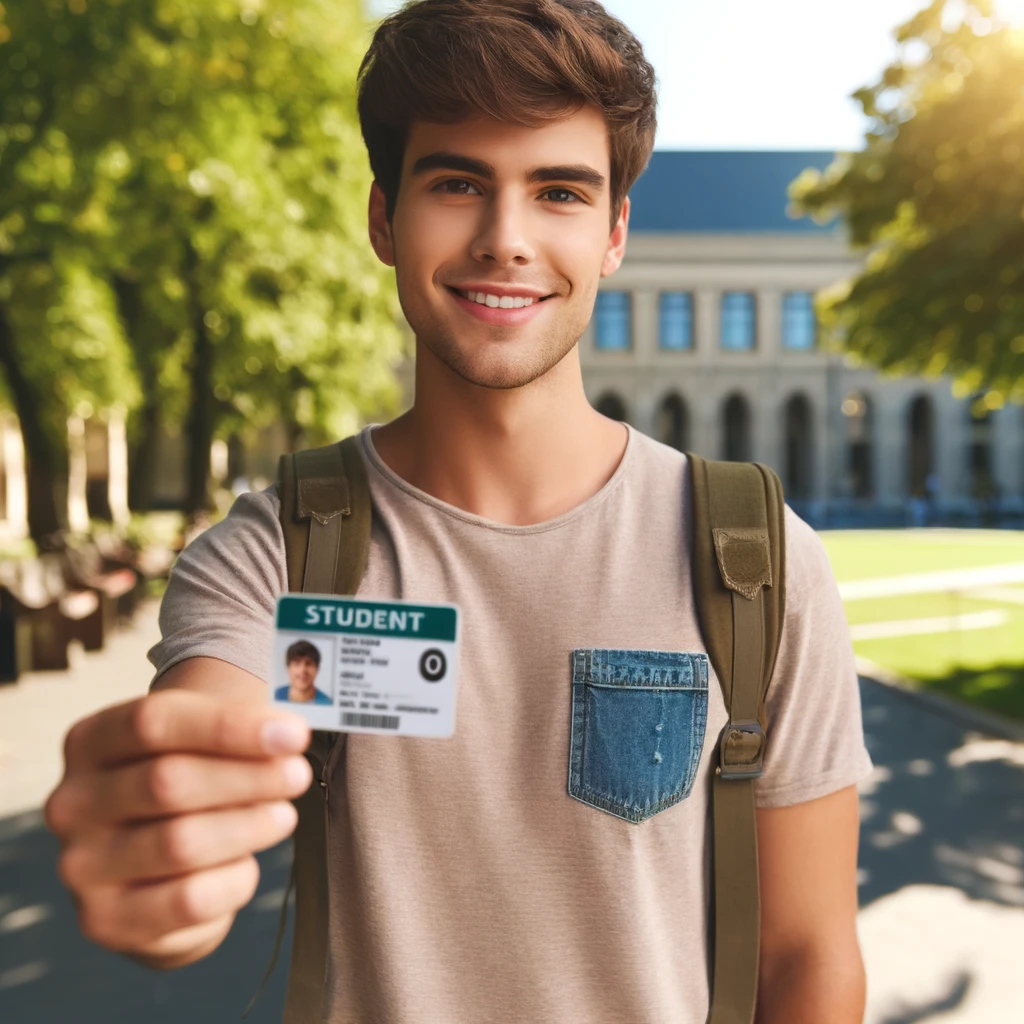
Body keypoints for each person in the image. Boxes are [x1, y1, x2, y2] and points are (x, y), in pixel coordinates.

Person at [43, 2, 873, 1020]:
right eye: (456, 183)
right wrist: (165, 847)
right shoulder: (275, 554)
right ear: (383, 219)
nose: (504, 240)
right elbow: (209, 720)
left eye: (558, 191)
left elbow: (808, 957)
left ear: (614, 233)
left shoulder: (757, 563)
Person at [274, 640, 332, 705]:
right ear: (288, 668)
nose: (302, 670)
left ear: (317, 669)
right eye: (297, 663)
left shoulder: (327, 703)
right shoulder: (275, 696)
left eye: (309, 663)